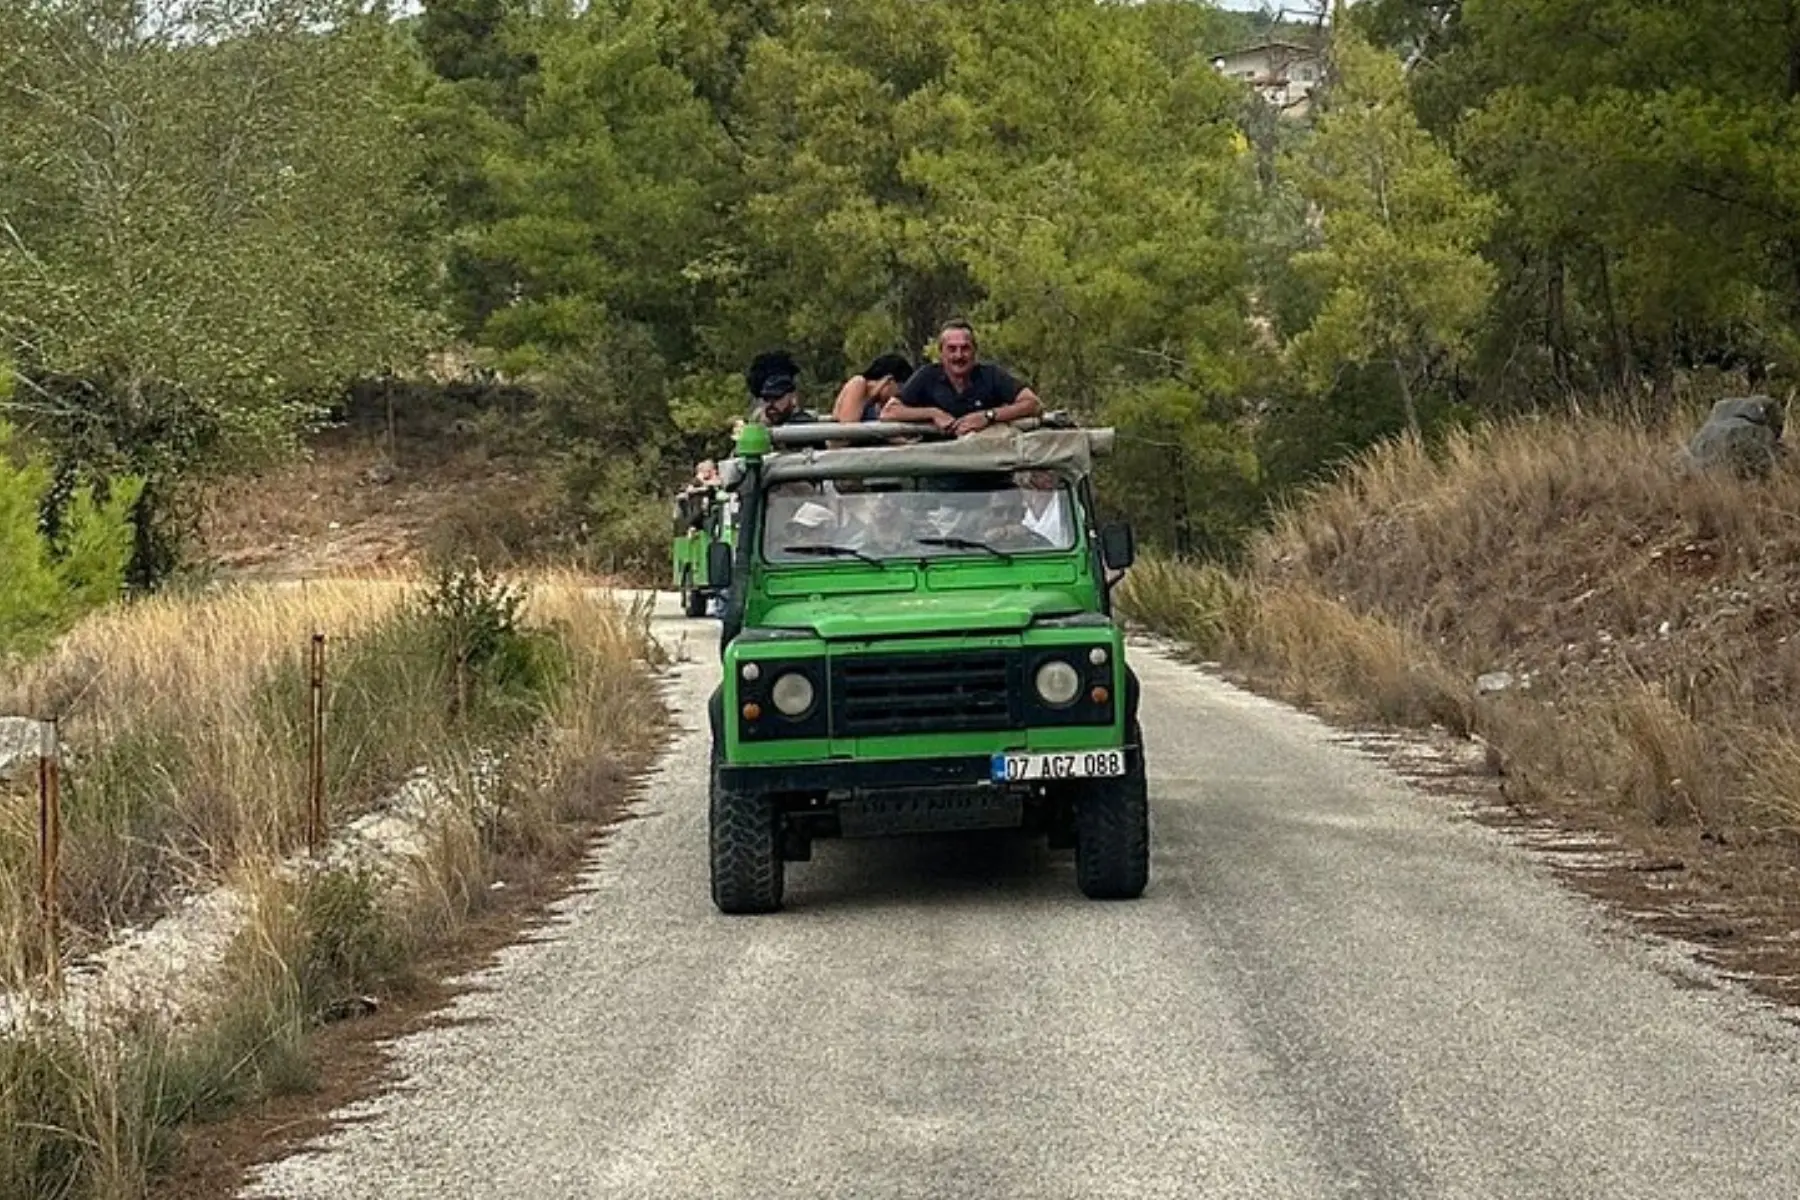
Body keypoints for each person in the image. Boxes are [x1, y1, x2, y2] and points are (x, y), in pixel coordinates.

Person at [880, 320, 1042, 436]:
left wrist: (988, 416)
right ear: (941, 353)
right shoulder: (927, 376)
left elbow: (1033, 404)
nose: (959, 355)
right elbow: (889, 412)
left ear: (975, 351)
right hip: (938, 475)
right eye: (952, 349)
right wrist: (932, 413)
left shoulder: (991, 375)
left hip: (991, 475)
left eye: (965, 348)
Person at [830, 353, 916, 424]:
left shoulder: (874, 401)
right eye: (900, 388)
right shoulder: (858, 383)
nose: (899, 394)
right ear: (889, 380)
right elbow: (848, 428)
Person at [745, 350, 813, 427]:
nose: (770, 404)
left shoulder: (806, 426)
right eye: (766, 398)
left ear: (793, 396)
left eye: (777, 397)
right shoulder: (757, 428)